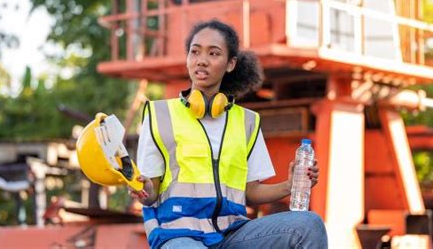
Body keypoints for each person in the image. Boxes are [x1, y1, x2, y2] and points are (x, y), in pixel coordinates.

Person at [129, 19, 328, 249]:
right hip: (178, 235)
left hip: (232, 234)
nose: (201, 60)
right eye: (195, 52)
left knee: (309, 225)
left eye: (213, 54)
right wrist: (143, 188)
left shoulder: (247, 121)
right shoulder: (159, 114)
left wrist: (289, 186)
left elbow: (250, 191)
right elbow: (151, 192)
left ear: (230, 63)